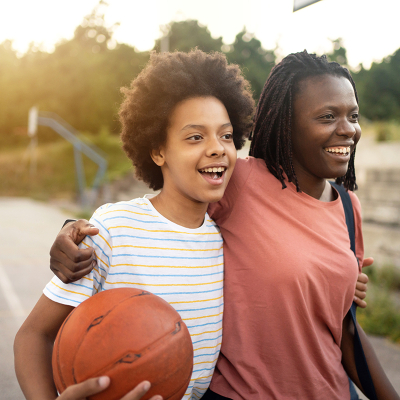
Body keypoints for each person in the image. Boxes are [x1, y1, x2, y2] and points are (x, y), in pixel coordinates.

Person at [47, 51, 398, 399]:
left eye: (353, 115)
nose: (348, 128)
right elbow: (168, 206)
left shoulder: (349, 207)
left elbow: (345, 327)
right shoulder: (242, 182)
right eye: (327, 116)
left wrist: (339, 281)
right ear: (286, 124)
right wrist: (71, 230)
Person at [13, 50, 255, 400]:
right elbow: (33, 336)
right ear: (158, 151)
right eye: (195, 137)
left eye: (227, 135)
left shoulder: (226, 240)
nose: (218, 148)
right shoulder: (114, 229)